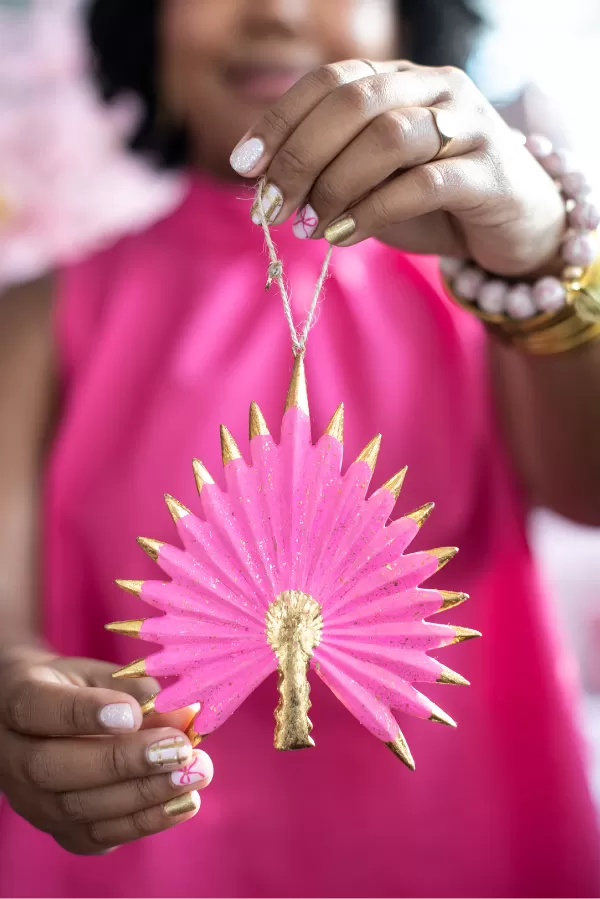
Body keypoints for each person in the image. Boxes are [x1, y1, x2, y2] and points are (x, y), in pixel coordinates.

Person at [0, 1, 599, 896]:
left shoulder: (492, 293)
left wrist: (537, 263)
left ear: (412, 24)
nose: (274, 8)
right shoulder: (37, 319)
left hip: (470, 854)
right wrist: (18, 697)